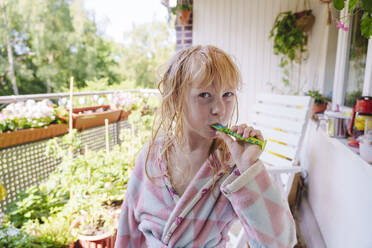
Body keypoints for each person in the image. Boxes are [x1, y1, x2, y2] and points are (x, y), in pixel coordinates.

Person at [115, 45, 297, 248]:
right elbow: (128, 228)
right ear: (176, 99)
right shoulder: (151, 155)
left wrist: (248, 167)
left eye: (227, 94)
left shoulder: (232, 166)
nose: (219, 109)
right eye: (204, 95)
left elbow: (280, 243)